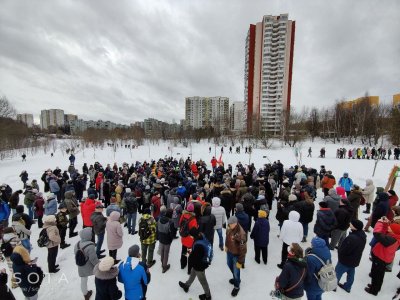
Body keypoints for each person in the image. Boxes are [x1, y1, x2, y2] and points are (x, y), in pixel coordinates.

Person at [365, 217, 400, 296]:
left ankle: (373, 291)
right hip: (383, 258)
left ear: (394, 231)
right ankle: (376, 287)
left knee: (376, 275)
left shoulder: (390, 239)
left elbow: (377, 234)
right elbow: (385, 232)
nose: (389, 228)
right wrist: (385, 224)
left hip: (380, 259)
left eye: (390, 228)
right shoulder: (395, 237)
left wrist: (380, 223)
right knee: (379, 274)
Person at [179, 227, 212, 300]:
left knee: (203, 280)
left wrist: (190, 259)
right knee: (192, 273)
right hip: (200, 263)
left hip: (200, 265)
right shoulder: (200, 236)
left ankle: (208, 296)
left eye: (190, 235)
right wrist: (187, 254)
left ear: (193, 235)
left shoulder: (198, 245)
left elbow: (195, 257)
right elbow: (194, 250)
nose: (190, 236)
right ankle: (187, 285)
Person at [335, 219, 366, 293]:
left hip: (345, 260)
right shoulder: (362, 236)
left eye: (352, 224)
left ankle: (333, 286)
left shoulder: (352, 238)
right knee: (351, 275)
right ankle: (347, 287)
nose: (350, 224)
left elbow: (344, 250)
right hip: (355, 260)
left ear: (355, 227)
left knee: (337, 273)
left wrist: (340, 255)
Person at [225, 216, 247, 297]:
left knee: (236, 271)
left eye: (230, 224)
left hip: (236, 255)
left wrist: (240, 261)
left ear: (235, 223)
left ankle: (237, 286)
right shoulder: (229, 228)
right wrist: (226, 246)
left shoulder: (241, 233)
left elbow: (243, 249)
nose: (229, 225)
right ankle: (236, 278)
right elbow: (227, 238)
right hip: (229, 252)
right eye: (229, 224)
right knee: (228, 264)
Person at [74, 227, 99, 300]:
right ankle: (100, 290)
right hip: (88, 265)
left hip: (81, 264)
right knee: (98, 276)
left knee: (83, 280)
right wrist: (99, 265)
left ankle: (86, 294)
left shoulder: (77, 244)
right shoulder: (90, 246)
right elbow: (93, 259)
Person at [179, 201, 198, 271]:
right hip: (190, 239)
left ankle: (182, 264)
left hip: (183, 237)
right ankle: (189, 269)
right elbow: (194, 230)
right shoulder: (193, 219)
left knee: (183, 251)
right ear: (193, 210)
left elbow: (180, 223)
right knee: (189, 253)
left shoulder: (183, 215)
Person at [157, 208, 176, 273]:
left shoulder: (160, 219)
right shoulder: (171, 222)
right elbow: (172, 233)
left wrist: (158, 236)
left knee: (162, 250)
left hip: (161, 237)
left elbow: (157, 228)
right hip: (167, 239)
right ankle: (164, 267)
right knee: (166, 252)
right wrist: (171, 238)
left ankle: (162, 262)